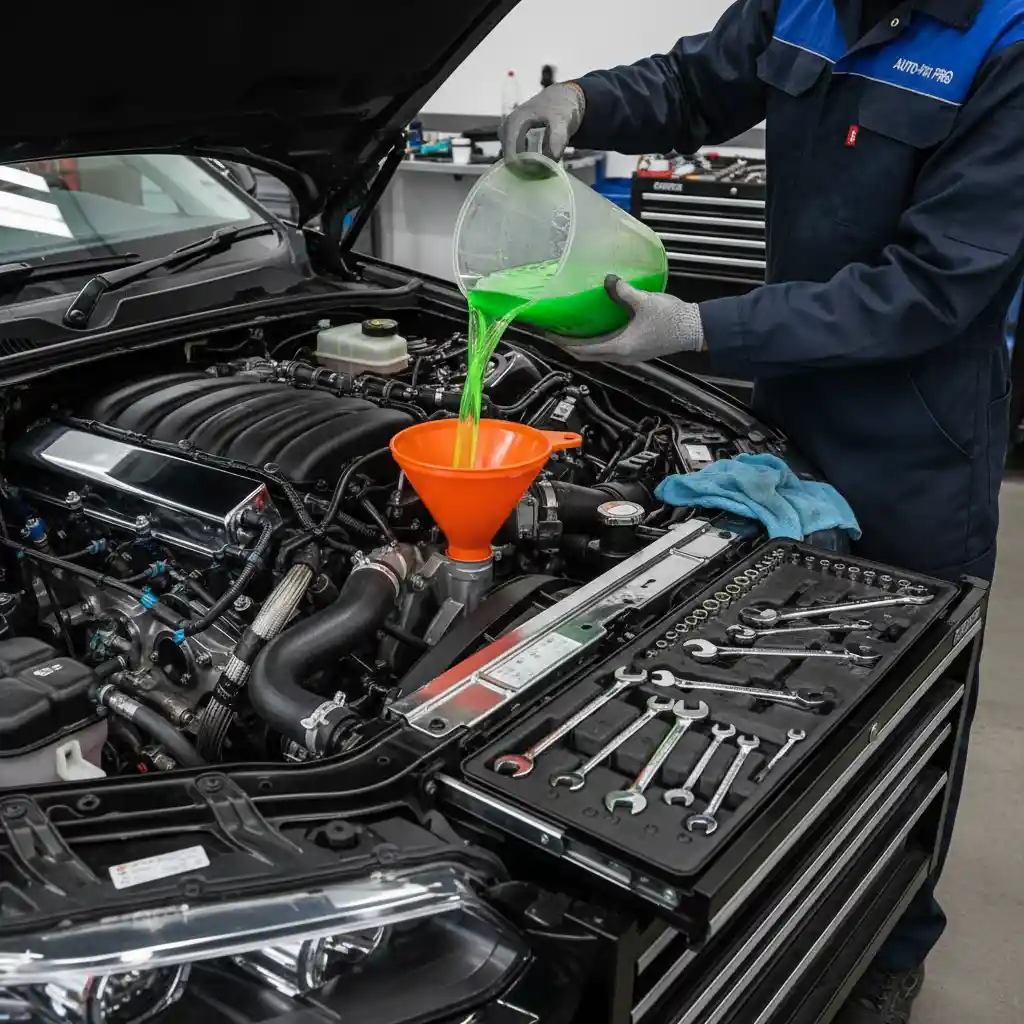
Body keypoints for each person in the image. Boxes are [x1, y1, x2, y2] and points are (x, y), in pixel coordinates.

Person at [501, 1, 1022, 1021]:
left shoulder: (1006, 43)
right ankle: (742, 907)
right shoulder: (803, 2)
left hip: (915, 435)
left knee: (901, 708)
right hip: (780, 389)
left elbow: (933, 282)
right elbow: (696, 83)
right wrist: (582, 99)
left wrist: (698, 324)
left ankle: (892, 938)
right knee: (742, 665)